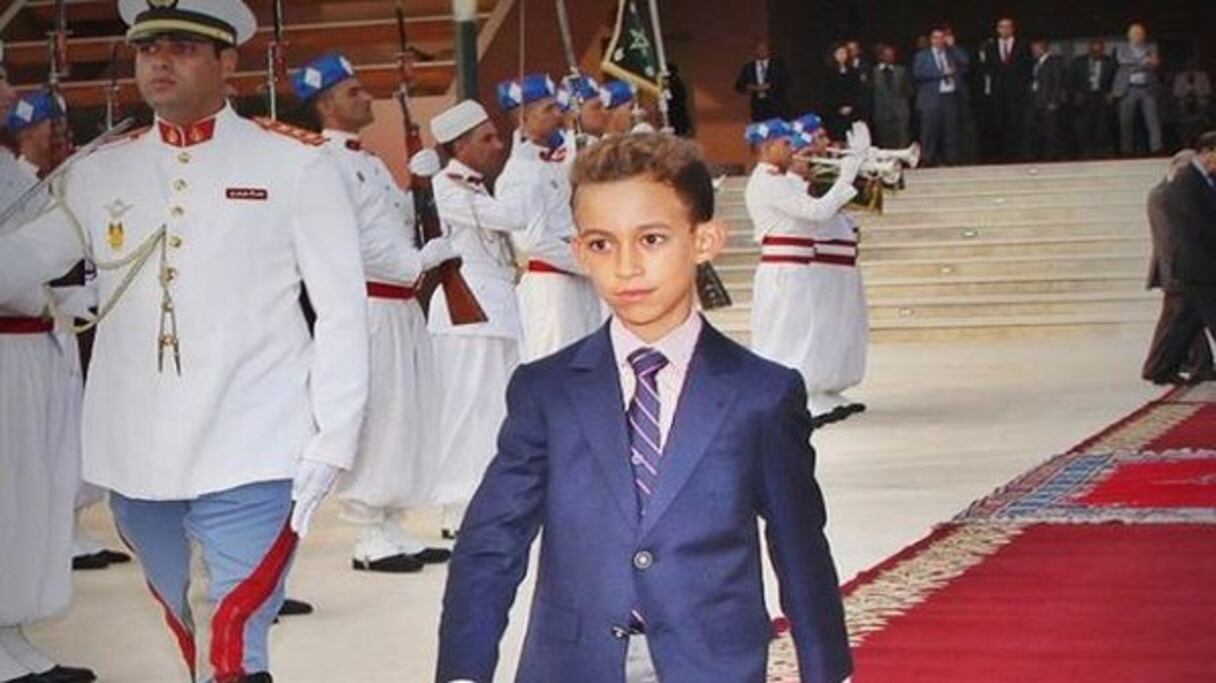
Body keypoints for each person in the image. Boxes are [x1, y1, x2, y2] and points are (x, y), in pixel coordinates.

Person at [0, 2, 371, 680]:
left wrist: (336, 435)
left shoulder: (293, 162)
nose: (159, 62)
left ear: (228, 61)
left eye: (182, 47)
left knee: (231, 629)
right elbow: (27, 256)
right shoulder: (100, 171)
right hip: (139, 451)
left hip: (257, 439)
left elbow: (344, 310)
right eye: (148, 49)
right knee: (186, 618)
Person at [436, 131, 851, 683]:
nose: (626, 266)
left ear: (705, 240)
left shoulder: (761, 394)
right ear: (579, 252)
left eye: (651, 239)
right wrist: (463, 673)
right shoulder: (548, 391)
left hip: (714, 666)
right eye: (602, 244)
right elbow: (492, 542)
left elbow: (799, 546)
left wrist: (828, 671)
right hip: (573, 666)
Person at [292, 52, 456, 573]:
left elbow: (396, 220)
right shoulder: (324, 163)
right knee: (379, 414)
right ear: (326, 104)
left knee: (408, 412)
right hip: (369, 304)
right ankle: (367, 531)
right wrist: (417, 262)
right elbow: (350, 240)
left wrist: (420, 185)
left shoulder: (370, 161)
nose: (366, 98)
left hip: (400, 304)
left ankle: (391, 522)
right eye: (353, 92)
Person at [0, 84, 98, 683]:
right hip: (6, 347)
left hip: (31, 345)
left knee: (28, 496)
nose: (9, 91)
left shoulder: (9, 171)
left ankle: (12, 632)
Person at [427, 99, 531, 539]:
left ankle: (486, 500)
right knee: (465, 409)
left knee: (494, 409)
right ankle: (457, 506)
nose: (498, 145)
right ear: (460, 146)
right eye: (487, 139)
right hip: (466, 310)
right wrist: (525, 162)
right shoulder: (446, 187)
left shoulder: (473, 187)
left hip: (495, 309)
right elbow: (515, 217)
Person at [745, 117, 868, 423]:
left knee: (808, 332)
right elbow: (816, 212)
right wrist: (846, 177)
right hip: (784, 269)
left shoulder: (782, 180)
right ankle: (787, 399)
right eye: (786, 143)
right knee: (787, 336)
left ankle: (816, 391)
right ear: (767, 146)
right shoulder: (767, 182)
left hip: (799, 266)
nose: (793, 149)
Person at [496, 74, 602, 363]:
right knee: (559, 366)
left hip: (576, 282)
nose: (558, 114)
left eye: (557, 107)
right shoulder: (519, 173)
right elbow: (532, 240)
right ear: (523, 118)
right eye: (548, 109)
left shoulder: (549, 165)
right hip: (552, 289)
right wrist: (588, 262)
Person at [1148, 131, 1216, 380]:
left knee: (1184, 323)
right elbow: (1193, 226)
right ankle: (1161, 368)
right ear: (1208, 152)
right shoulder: (1186, 181)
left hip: (1200, 263)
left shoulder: (1203, 179)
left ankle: (1159, 368)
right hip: (1195, 264)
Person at [975, 17, 1032, 162]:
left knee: (1016, 123)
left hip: (1017, 93)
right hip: (998, 93)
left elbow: (1027, 68)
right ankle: (1001, 155)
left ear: (1012, 29)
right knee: (999, 123)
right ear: (998, 30)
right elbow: (987, 69)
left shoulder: (1022, 45)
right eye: (1002, 27)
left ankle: (1017, 154)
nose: (1005, 29)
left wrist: (1023, 88)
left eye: (1008, 27)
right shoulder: (990, 47)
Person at [914, 27, 969, 166]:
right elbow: (918, 73)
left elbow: (965, 62)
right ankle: (928, 159)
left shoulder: (950, 53)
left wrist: (953, 47)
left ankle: (951, 159)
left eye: (941, 37)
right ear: (931, 40)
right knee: (929, 130)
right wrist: (941, 73)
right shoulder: (923, 55)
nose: (939, 40)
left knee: (950, 129)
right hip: (931, 98)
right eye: (936, 38)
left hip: (949, 97)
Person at [1114, 23, 1164, 156]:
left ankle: (1156, 148)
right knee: (1126, 121)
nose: (1138, 36)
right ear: (1129, 35)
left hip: (1147, 88)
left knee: (1152, 120)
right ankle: (1126, 151)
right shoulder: (1122, 48)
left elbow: (1154, 64)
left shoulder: (1151, 47)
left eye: (1140, 33)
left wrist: (1135, 65)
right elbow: (1123, 62)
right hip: (1128, 88)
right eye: (1135, 33)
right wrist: (1144, 63)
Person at [1069, 40, 1116, 159]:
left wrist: (1111, 92)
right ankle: (1086, 150)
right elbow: (1071, 80)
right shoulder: (1079, 62)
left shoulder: (1109, 61)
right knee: (1085, 124)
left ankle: (1101, 150)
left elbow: (1114, 78)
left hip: (1101, 95)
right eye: (1094, 51)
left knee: (1103, 124)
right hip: (1084, 96)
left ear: (1102, 50)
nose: (1096, 53)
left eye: (1099, 51)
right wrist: (1076, 93)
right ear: (1089, 50)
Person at [1024, 39, 1065, 161]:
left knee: (1050, 130)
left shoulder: (1053, 62)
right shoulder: (1034, 63)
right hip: (1034, 101)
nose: (1033, 51)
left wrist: (1053, 100)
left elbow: (1057, 82)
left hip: (1047, 101)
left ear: (1043, 48)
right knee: (1034, 129)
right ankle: (1036, 154)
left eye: (1035, 49)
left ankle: (1051, 155)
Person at [734, 39, 790, 121]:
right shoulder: (749, 67)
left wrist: (770, 86)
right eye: (759, 49)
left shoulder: (778, 65)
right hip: (758, 107)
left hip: (776, 105)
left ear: (769, 51)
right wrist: (752, 87)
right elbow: (739, 85)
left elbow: (786, 81)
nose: (762, 51)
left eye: (764, 49)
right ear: (755, 51)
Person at [871, 44, 913, 149]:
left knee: (902, 140)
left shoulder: (901, 71)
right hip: (881, 112)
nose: (890, 57)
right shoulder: (873, 72)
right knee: (884, 141)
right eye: (886, 55)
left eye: (892, 55)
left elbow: (909, 90)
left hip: (900, 112)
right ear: (880, 56)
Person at [824, 44, 865, 141]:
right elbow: (827, 93)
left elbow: (857, 91)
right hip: (834, 112)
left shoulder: (853, 72)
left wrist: (851, 106)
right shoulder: (828, 72)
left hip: (852, 111)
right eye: (839, 53)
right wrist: (839, 107)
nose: (842, 55)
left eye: (844, 53)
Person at [1173, 62, 1213, 150]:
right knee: (1184, 124)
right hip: (1184, 105)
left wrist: (1195, 96)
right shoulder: (1180, 77)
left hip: (1200, 103)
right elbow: (1176, 93)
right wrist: (1187, 97)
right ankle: (1185, 145)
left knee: (1200, 123)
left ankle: (1200, 144)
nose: (1191, 65)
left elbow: (1207, 92)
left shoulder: (1203, 76)